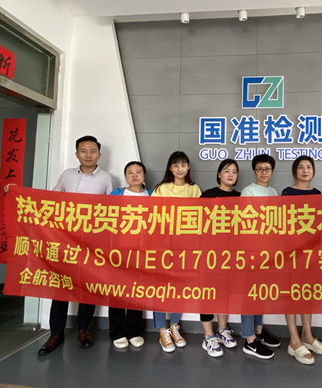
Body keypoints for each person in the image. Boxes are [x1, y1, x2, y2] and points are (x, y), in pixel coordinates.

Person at [38, 135, 113, 356]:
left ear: (99, 154)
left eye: (92, 151)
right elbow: (49, 199)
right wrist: (17, 192)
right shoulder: (66, 175)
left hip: (91, 242)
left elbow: (112, 209)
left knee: (88, 286)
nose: (88, 155)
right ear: (76, 154)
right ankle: (56, 332)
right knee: (61, 286)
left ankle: (83, 330)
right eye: (83, 151)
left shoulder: (106, 178)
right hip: (65, 241)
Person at [151, 151, 201, 352]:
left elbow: (200, 217)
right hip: (162, 246)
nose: (180, 169)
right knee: (160, 288)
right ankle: (162, 330)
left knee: (178, 288)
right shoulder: (161, 189)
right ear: (170, 168)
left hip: (184, 247)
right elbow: (152, 217)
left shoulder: (194, 189)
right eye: (176, 165)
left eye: (183, 165)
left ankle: (174, 326)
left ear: (188, 167)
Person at [281, 156, 322, 365]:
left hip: (312, 253)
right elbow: (284, 223)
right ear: (295, 171)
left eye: (309, 167)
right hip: (292, 253)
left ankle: (307, 335)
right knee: (292, 294)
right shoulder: (287, 193)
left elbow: (321, 224)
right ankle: (294, 340)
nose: (305, 170)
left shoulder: (317, 194)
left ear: (313, 171)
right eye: (300, 167)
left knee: (307, 292)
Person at [239, 154, 281, 360]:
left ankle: (258, 331)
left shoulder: (273, 192)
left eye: (267, 169)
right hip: (252, 252)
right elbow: (245, 223)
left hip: (268, 252)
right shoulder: (248, 191)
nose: (264, 172)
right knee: (249, 296)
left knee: (259, 294)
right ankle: (249, 341)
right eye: (259, 169)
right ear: (254, 171)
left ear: (272, 171)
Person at [199, 159, 240, 358]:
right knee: (208, 294)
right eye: (227, 171)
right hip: (209, 254)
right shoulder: (207, 195)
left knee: (224, 293)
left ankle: (222, 329)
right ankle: (208, 335)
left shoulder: (240, 197)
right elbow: (196, 223)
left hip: (231, 254)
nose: (230, 174)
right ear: (219, 174)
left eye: (234, 171)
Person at [108, 161, 152, 349]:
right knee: (117, 291)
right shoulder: (116, 194)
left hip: (142, 252)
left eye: (138, 172)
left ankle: (134, 330)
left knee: (137, 291)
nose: (135, 175)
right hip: (119, 250)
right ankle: (117, 332)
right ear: (125, 176)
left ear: (144, 175)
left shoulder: (152, 195)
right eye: (130, 172)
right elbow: (106, 219)